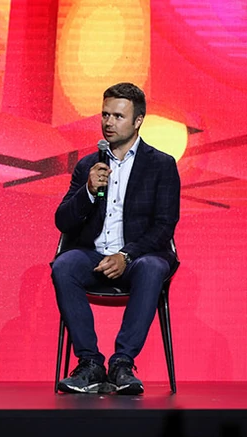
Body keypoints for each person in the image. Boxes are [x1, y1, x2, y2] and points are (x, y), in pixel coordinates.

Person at [52, 82, 180, 395]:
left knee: (152, 267)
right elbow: (63, 221)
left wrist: (126, 255)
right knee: (64, 265)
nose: (109, 122)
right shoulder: (88, 165)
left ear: (138, 121)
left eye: (118, 116)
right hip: (93, 255)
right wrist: (88, 191)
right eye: (105, 115)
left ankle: (122, 363)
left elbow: (164, 226)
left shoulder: (161, 165)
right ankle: (90, 364)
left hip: (138, 258)